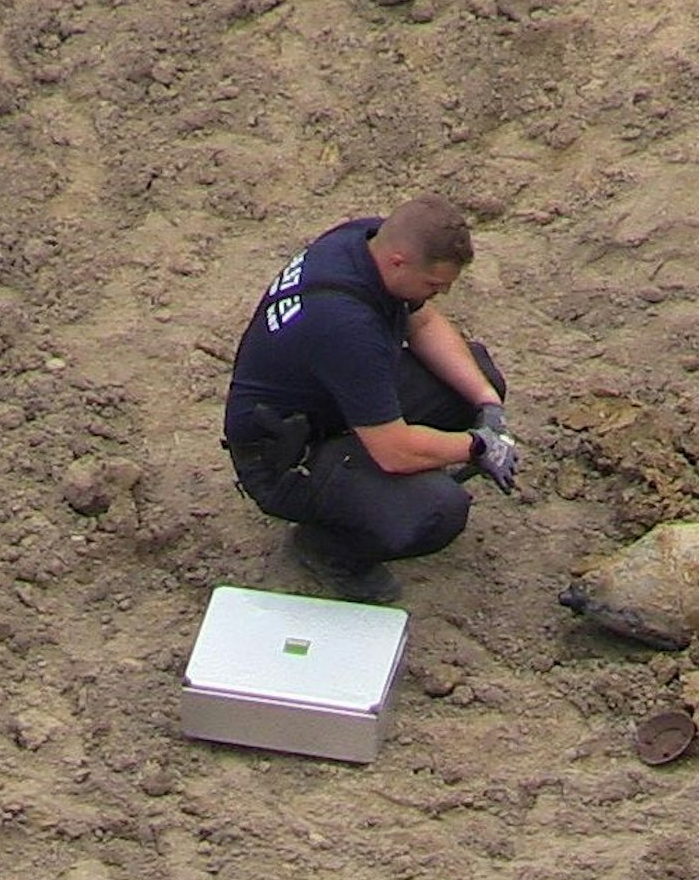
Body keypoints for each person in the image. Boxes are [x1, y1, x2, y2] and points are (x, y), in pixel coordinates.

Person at [221, 193, 519, 603]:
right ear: (399, 262)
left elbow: (424, 322)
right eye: (434, 284)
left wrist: (489, 407)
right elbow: (395, 452)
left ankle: (373, 494)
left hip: (330, 406)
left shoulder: (366, 241)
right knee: (436, 510)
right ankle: (330, 547)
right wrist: (479, 446)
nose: (440, 294)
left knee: (474, 381)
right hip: (285, 459)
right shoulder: (345, 326)